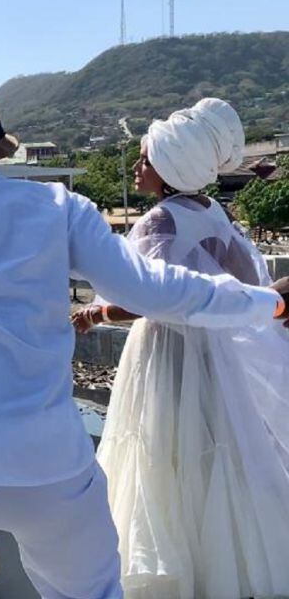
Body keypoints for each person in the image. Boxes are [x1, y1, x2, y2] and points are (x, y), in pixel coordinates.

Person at [0, 85, 289, 599]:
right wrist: (270, 303)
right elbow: (153, 289)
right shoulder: (59, 206)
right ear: (0, 149)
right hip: (43, 458)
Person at [73, 98, 289, 598]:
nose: (135, 167)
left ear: (169, 167)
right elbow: (241, 282)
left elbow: (145, 299)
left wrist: (95, 313)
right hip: (217, 354)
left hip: (168, 352)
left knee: (162, 449)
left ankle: (175, 568)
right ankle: (228, 560)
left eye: (144, 158)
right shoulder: (216, 212)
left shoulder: (158, 222)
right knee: (220, 444)